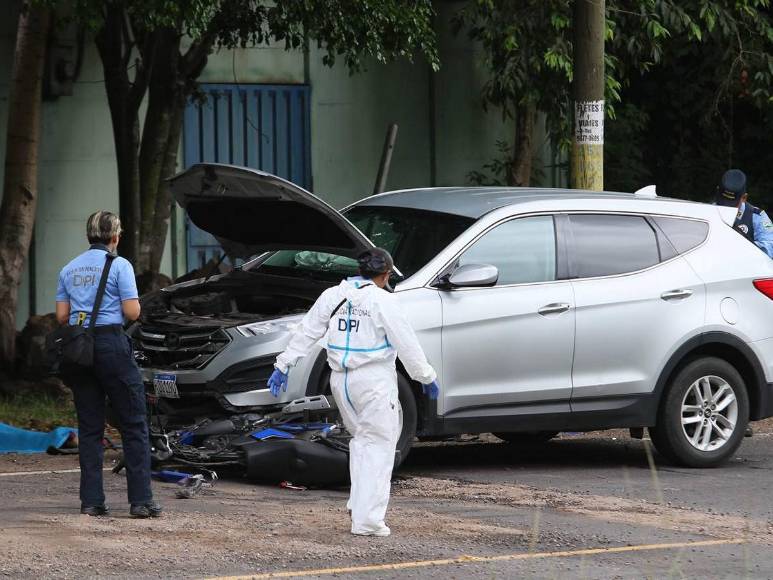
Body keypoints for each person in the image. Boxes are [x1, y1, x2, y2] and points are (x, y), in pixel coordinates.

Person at [268, 247, 439, 537]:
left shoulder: (334, 295)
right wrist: (425, 375)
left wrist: (283, 365)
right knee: (381, 446)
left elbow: (307, 331)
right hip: (373, 382)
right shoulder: (383, 301)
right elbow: (406, 342)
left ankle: (358, 506)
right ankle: (368, 521)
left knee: (362, 443)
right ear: (385, 274)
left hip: (340, 381)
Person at [55, 211, 160, 519]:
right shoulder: (120, 265)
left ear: (89, 236)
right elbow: (132, 312)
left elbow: (62, 317)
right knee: (133, 423)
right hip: (111, 345)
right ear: (115, 237)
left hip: (79, 350)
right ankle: (140, 501)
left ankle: (91, 502)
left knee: (89, 428)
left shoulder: (69, 268)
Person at [715, 169, 773, 258]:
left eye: (731, 205)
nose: (725, 207)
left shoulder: (757, 216)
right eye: (722, 202)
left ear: (744, 198)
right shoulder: (708, 211)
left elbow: (770, 246)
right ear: (717, 191)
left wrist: (745, 243)